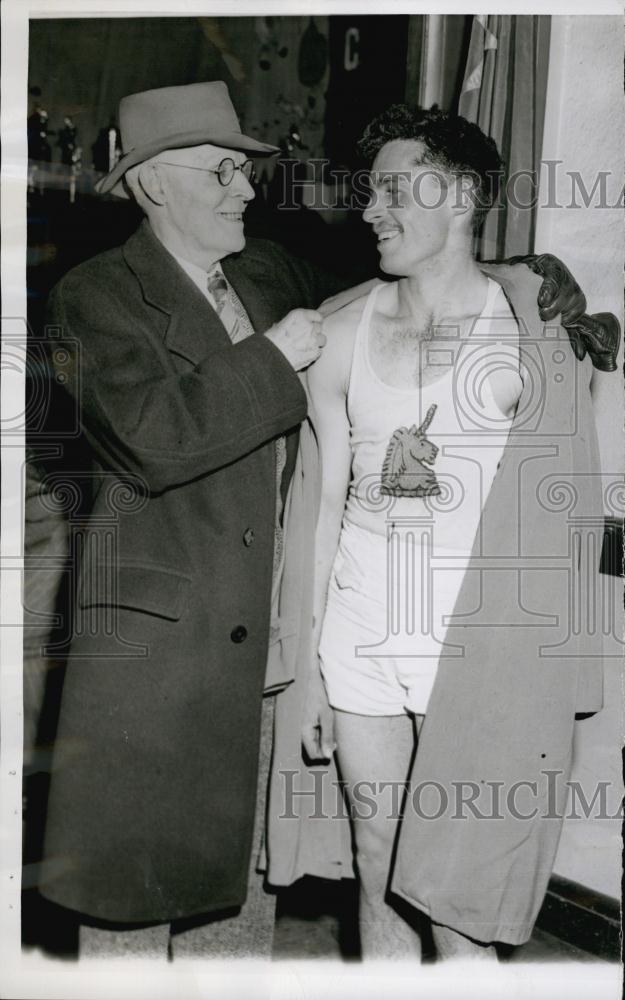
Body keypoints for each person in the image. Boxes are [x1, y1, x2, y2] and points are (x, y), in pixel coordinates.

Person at [35, 81, 612, 960]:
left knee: (257, 888)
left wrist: (526, 275)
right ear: (153, 183)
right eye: (225, 169)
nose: (247, 187)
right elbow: (155, 438)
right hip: (170, 641)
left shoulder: (268, 273)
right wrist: (274, 355)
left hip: (288, 633)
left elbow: (406, 284)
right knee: (139, 884)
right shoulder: (93, 294)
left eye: (245, 169)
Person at [302, 105, 618, 960]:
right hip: (359, 632)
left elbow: (563, 524)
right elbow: (321, 510)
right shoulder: (334, 334)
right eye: (372, 193)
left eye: (398, 190)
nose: (373, 211)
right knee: (377, 863)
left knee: (455, 898)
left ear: (463, 195)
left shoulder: (530, 336)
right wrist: (305, 664)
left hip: (479, 650)